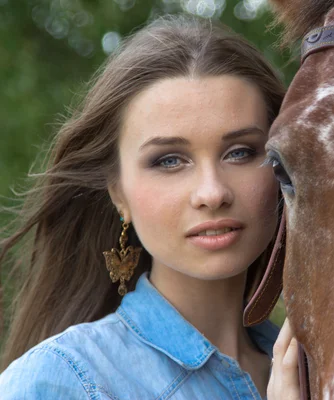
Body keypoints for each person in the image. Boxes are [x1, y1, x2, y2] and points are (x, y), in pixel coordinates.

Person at [0, 14, 299, 399]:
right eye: (169, 160)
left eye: (240, 152)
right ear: (118, 194)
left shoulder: (327, 369)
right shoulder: (61, 380)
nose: (212, 192)